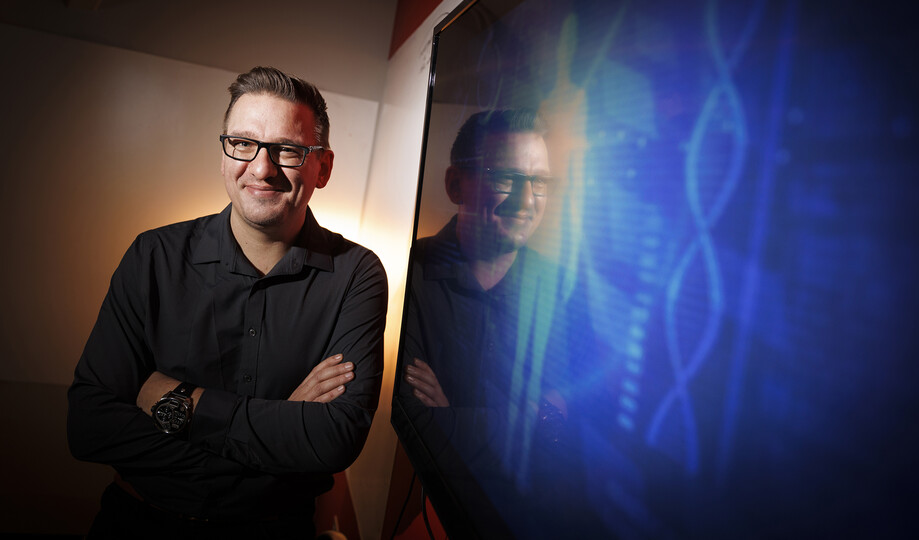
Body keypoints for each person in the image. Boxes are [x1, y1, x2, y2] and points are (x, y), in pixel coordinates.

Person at [67, 66, 388, 538]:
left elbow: (333, 439)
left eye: (288, 150)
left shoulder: (357, 274)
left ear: (322, 167)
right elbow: (89, 426)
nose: (261, 168)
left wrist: (179, 403)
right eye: (242, 143)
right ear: (224, 155)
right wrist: (280, 431)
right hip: (135, 524)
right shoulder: (153, 256)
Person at [398, 109, 590, 538]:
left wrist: (452, 416)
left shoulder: (563, 290)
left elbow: (570, 427)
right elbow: (417, 426)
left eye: (539, 181)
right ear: (455, 185)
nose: (527, 201)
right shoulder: (407, 273)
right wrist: (531, 419)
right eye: (506, 177)